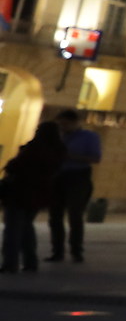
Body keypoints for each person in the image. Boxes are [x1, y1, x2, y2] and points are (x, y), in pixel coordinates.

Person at [1, 122, 63, 273]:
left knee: (13, 229)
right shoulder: (59, 150)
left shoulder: (34, 148)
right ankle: (30, 261)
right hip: (39, 194)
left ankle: (10, 263)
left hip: (21, 192)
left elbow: (15, 166)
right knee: (26, 227)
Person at [47, 109, 99, 263]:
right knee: (54, 216)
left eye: (66, 124)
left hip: (78, 177)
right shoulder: (57, 137)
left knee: (75, 216)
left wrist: (70, 157)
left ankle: (76, 251)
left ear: (76, 122)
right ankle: (57, 251)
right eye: (60, 124)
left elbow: (95, 158)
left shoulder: (89, 137)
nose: (63, 127)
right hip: (57, 177)